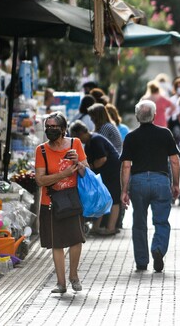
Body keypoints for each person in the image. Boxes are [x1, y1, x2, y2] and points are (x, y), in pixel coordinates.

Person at [120, 100, 180, 272]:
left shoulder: (130, 137)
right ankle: (158, 248)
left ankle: (141, 261)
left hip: (138, 182)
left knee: (139, 223)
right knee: (161, 221)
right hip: (160, 181)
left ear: (137, 117)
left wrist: (124, 190)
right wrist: (176, 184)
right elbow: (174, 161)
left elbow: (126, 165)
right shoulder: (165, 134)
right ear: (154, 115)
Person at [34, 112, 88, 294]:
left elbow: (86, 172)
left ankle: (74, 276)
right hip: (50, 201)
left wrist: (78, 163)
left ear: (64, 129)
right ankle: (61, 283)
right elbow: (40, 180)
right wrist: (63, 175)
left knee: (75, 239)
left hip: (72, 199)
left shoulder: (75, 144)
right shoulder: (41, 150)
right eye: (47, 127)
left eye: (54, 127)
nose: (50, 130)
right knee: (56, 243)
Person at [69, 120, 121, 236]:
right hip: (104, 174)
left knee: (114, 199)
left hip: (113, 172)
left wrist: (89, 168)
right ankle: (96, 227)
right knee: (101, 197)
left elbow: (102, 159)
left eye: (76, 137)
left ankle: (111, 228)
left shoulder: (96, 140)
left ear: (81, 133)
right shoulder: (89, 143)